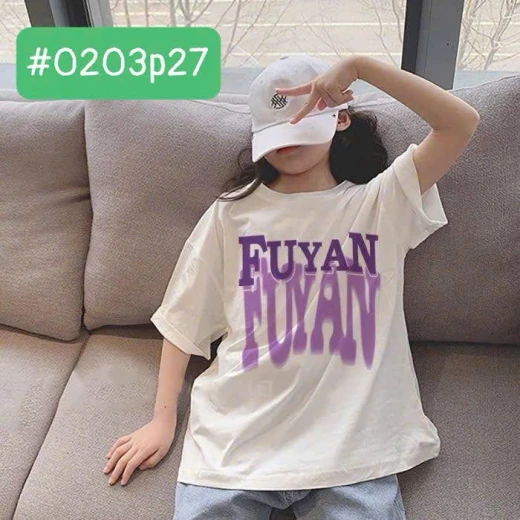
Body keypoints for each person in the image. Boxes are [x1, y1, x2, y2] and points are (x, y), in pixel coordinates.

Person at [103, 54, 480, 519]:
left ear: (341, 118)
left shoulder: (381, 204)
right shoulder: (231, 214)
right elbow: (183, 319)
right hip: (234, 449)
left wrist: (361, 67)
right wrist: (162, 419)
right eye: (277, 133)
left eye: (303, 126)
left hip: (352, 453)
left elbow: (460, 123)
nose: (289, 144)